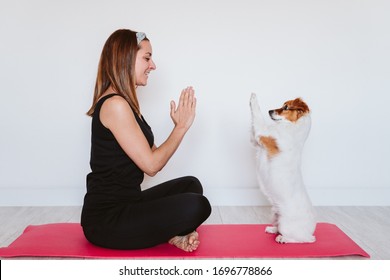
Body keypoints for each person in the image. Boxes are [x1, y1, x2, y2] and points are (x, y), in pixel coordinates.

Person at [81, 29, 211, 252]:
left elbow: (152, 156)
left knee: (191, 185)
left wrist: (176, 127)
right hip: (107, 220)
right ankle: (175, 232)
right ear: (126, 58)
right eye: (147, 58)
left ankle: (173, 233)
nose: (153, 66)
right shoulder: (115, 105)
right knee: (199, 205)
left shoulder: (127, 104)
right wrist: (181, 128)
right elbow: (152, 166)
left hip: (130, 202)